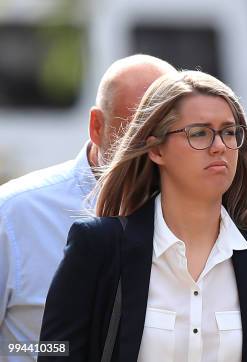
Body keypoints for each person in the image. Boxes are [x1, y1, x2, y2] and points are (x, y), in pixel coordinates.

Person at [39, 70, 247, 362]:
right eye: (199, 132)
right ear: (156, 149)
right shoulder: (98, 247)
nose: (219, 146)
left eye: (228, 131)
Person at [0, 55, 175, 361]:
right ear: (97, 126)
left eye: (167, 133)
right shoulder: (14, 215)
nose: (152, 151)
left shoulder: (197, 220)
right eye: (134, 134)